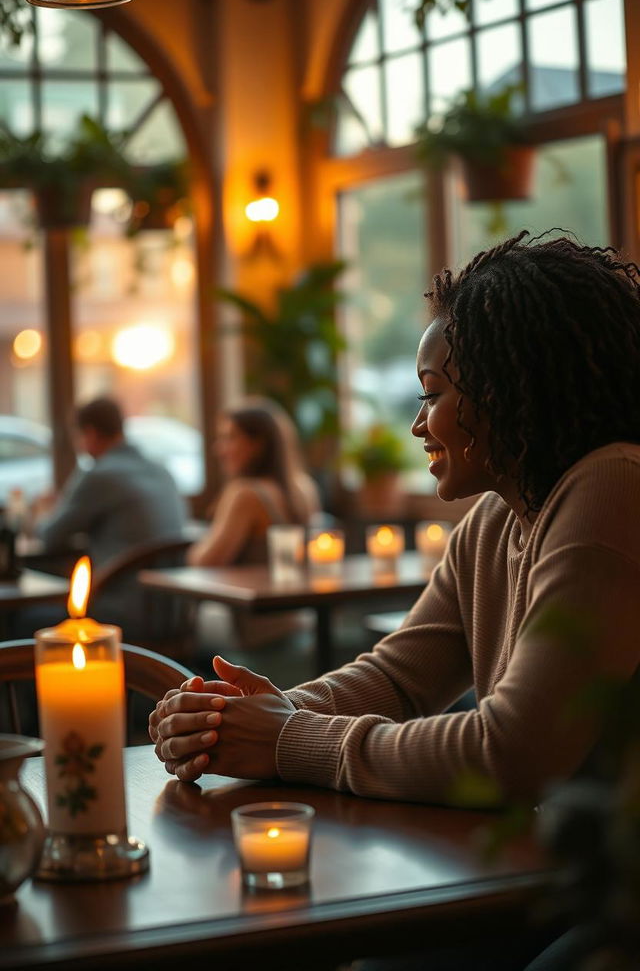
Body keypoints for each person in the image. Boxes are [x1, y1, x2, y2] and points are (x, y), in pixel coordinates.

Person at [149, 230, 640, 815]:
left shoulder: (615, 485)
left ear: (510, 389)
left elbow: (514, 751)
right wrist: (247, 715)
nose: (418, 425)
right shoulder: (493, 521)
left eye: (431, 395)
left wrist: (284, 738)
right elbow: (397, 680)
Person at [28, 395, 187, 637]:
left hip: (121, 612)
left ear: (89, 434)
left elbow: (50, 536)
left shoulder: (100, 475)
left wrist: (41, 512)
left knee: (23, 620)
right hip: (175, 611)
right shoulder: (161, 470)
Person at [186, 395, 322, 654]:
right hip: (300, 623)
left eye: (230, 438)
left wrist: (197, 544)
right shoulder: (304, 488)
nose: (219, 448)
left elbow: (206, 561)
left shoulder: (246, 493)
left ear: (257, 444)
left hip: (257, 635)